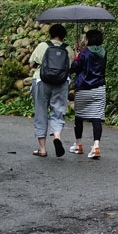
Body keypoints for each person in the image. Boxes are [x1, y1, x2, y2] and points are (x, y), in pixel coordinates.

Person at [29, 23, 74, 157]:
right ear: (64, 35)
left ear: (51, 33)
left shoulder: (43, 46)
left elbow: (31, 63)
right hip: (61, 82)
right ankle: (57, 137)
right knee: (58, 111)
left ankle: (42, 149)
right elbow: (70, 67)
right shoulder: (69, 49)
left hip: (41, 80)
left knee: (40, 111)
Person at [69, 29, 107, 159]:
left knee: (79, 117)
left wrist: (77, 56)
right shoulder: (103, 52)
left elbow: (75, 68)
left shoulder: (84, 53)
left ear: (89, 39)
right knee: (97, 118)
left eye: (85, 38)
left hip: (83, 89)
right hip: (99, 88)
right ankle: (96, 145)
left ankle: (78, 144)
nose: (84, 40)